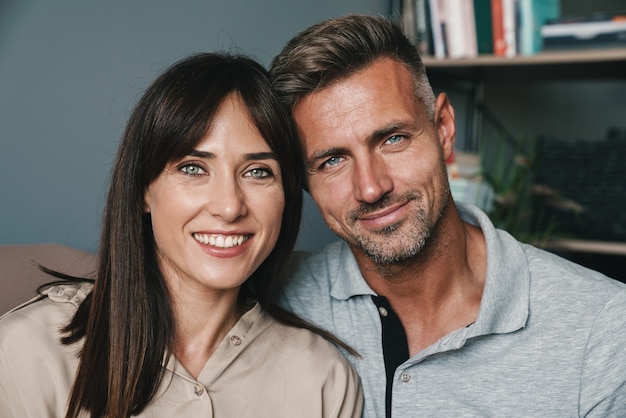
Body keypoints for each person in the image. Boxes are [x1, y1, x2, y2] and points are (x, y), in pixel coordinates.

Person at [270, 13, 626, 417]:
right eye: (332, 160)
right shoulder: (274, 301)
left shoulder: (603, 330)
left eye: (393, 139)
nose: (371, 188)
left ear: (443, 128)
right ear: (303, 179)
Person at [0, 52, 363, 418]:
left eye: (258, 172)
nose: (228, 206)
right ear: (144, 189)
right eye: (193, 168)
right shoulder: (26, 353)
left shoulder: (323, 380)